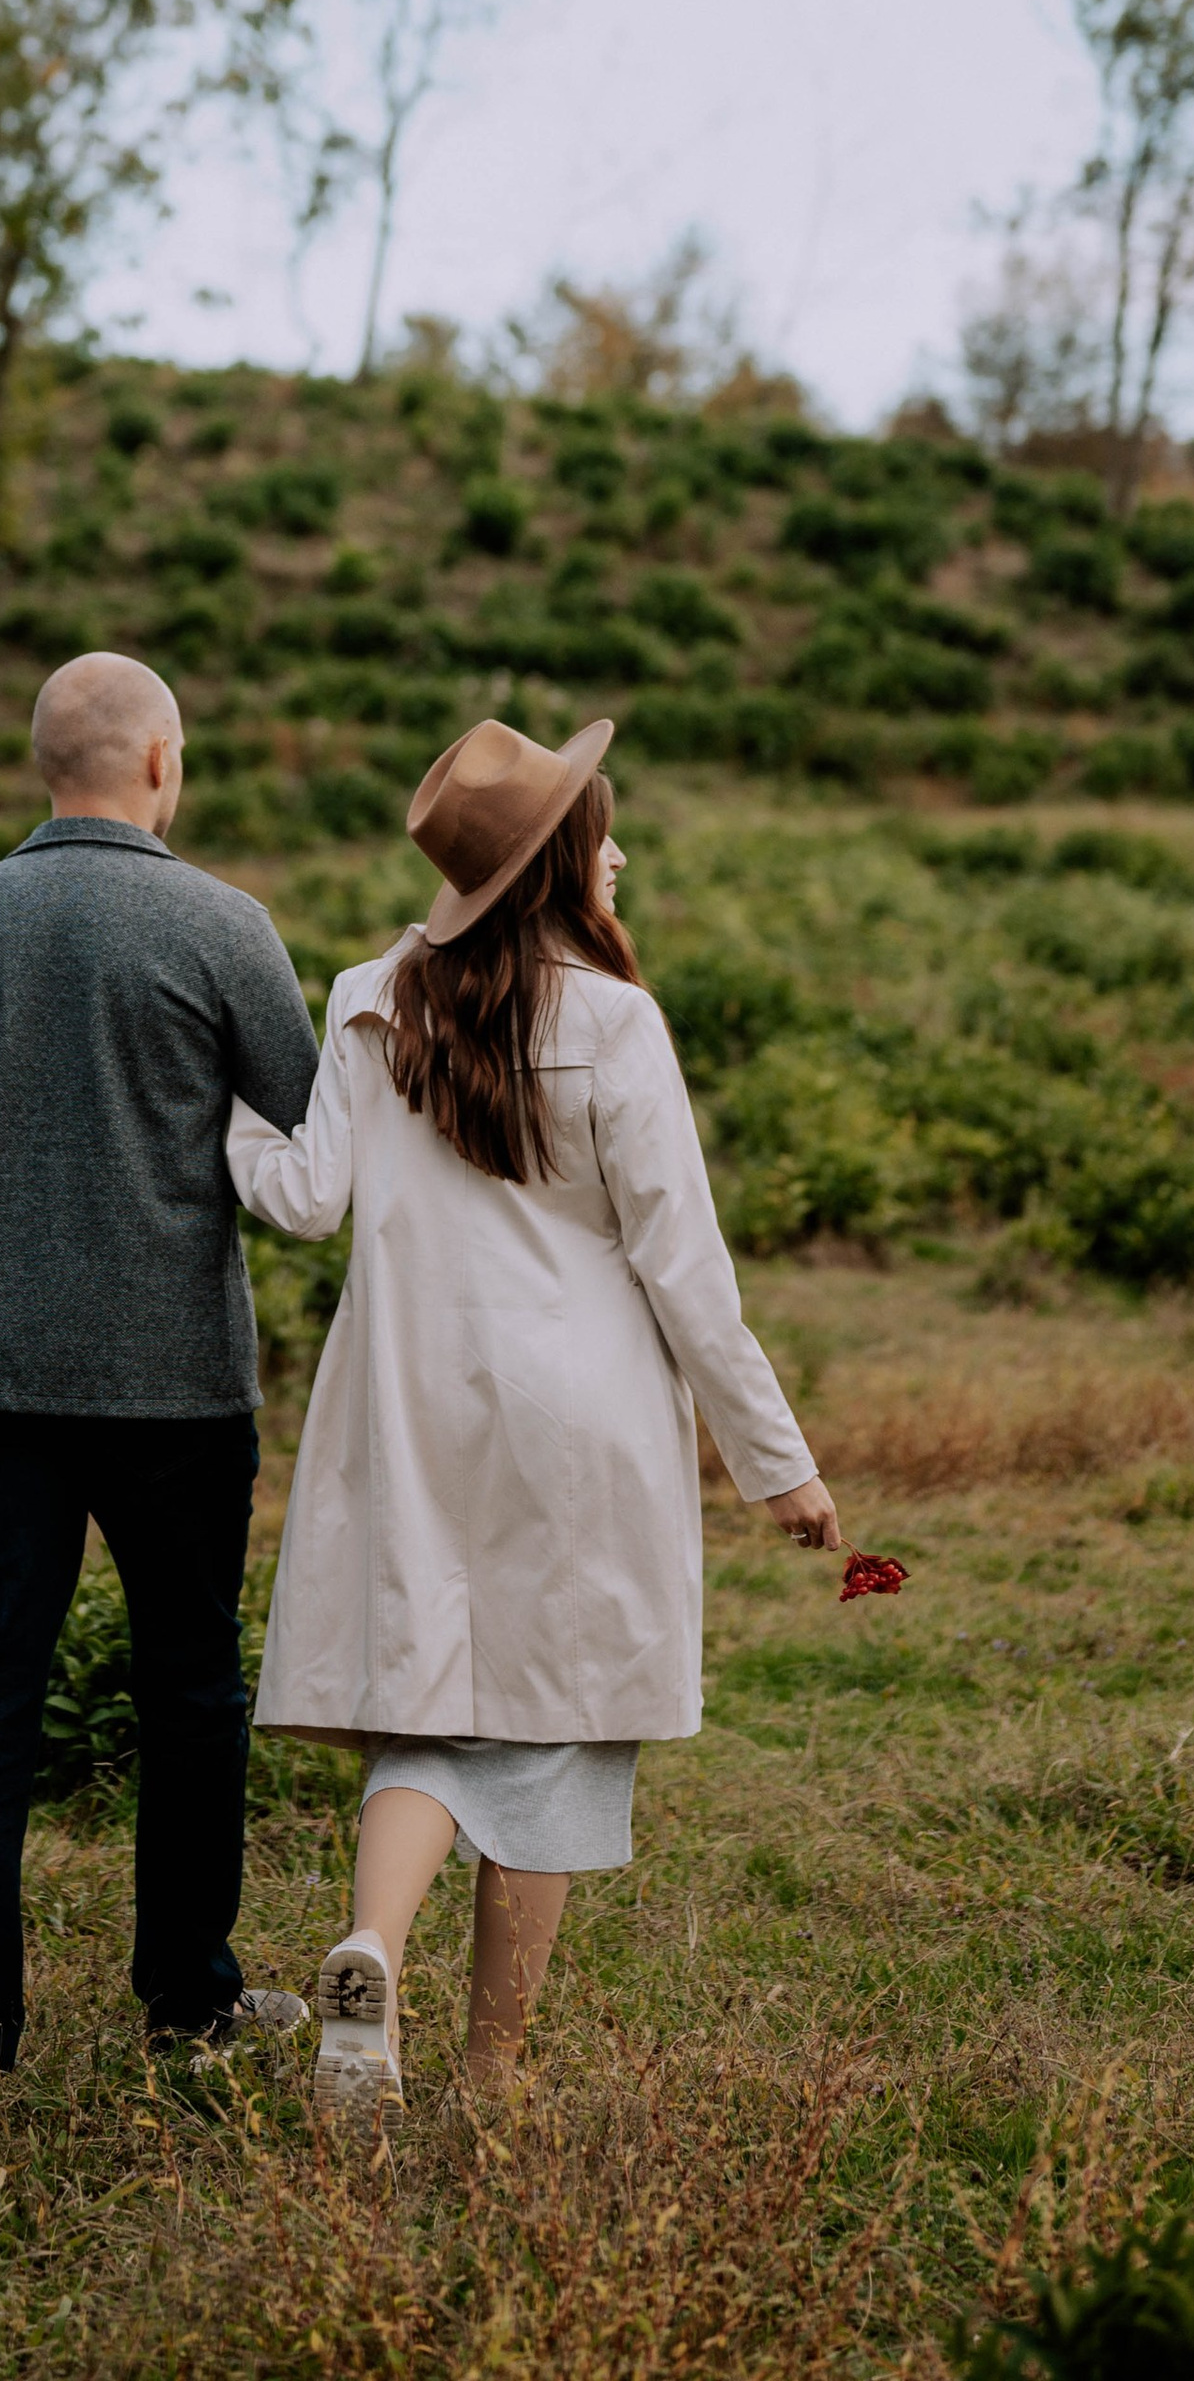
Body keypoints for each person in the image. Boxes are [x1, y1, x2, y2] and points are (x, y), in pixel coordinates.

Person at [229, 713, 839, 2131]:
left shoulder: (370, 993)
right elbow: (684, 1265)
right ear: (560, 861)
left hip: (408, 1402)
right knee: (557, 1724)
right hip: (585, 1420)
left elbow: (304, 1198)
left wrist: (224, 1128)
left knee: (429, 1700)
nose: (618, 849)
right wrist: (779, 1467)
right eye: (600, 829)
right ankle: (490, 2074)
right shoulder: (615, 1022)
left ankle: (372, 1951)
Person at [0, 649, 323, 2083]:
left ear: (45, 766)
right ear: (163, 763)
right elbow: (312, 1138)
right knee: (191, 1691)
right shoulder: (227, 928)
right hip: (179, 1383)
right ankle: (188, 1999)